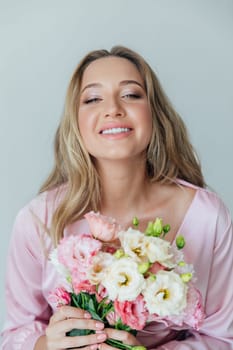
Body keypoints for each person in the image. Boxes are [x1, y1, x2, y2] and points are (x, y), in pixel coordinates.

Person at [1, 45, 233, 350]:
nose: (113, 109)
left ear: (155, 112)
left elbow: (222, 339)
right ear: (76, 121)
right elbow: (13, 336)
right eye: (93, 99)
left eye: (131, 94)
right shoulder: (37, 220)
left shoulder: (207, 216)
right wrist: (44, 345)